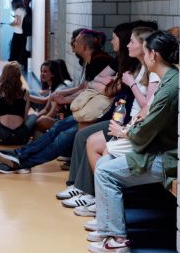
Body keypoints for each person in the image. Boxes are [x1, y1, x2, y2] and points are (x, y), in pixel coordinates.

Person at [86, 31, 179, 253]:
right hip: (157, 147)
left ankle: (117, 239)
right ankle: (108, 228)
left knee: (105, 172)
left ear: (154, 55)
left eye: (145, 52)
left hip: (165, 156)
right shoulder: (170, 79)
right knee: (104, 162)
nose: (144, 57)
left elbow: (145, 132)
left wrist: (124, 132)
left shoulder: (169, 87)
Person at [57, 21, 158, 204]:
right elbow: (102, 84)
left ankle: (93, 194)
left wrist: (130, 83)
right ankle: (77, 185)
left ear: (143, 46)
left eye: (132, 42)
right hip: (123, 118)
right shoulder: (138, 66)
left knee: (90, 140)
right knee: (80, 134)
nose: (127, 45)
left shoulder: (150, 71)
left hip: (130, 123)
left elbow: (146, 105)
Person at [0, 30, 115, 174]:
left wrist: (65, 98)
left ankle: (21, 162)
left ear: (84, 46)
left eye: (76, 41)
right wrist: (64, 96)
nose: (73, 44)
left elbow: (94, 91)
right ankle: (19, 155)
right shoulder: (92, 62)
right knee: (57, 128)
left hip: (97, 114)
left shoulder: (100, 62)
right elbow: (87, 88)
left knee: (61, 136)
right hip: (87, 111)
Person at [8, 0, 28, 71]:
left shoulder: (17, 10)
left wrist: (11, 24)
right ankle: (20, 65)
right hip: (23, 33)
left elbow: (18, 22)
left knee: (13, 50)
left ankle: (11, 67)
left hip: (17, 33)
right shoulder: (24, 10)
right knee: (21, 50)